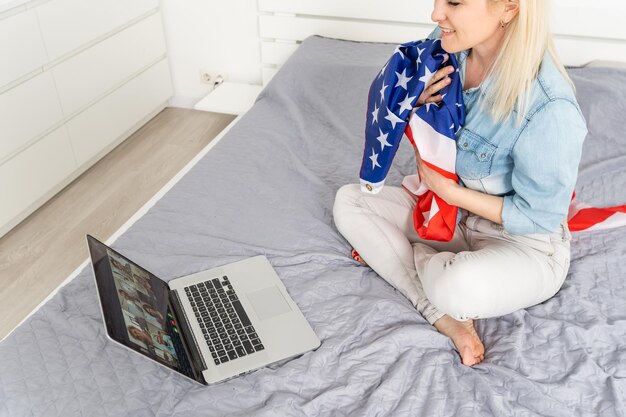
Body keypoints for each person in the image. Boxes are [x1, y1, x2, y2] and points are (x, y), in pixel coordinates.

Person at [333, 0, 587, 366]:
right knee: (349, 201)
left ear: (509, 8)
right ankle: (442, 315)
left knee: (459, 287)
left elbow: (539, 217)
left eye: (454, 2)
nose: (436, 15)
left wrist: (450, 192)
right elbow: (402, 103)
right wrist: (414, 100)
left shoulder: (550, 107)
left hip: (522, 240)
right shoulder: (447, 43)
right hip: (447, 214)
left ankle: (413, 258)